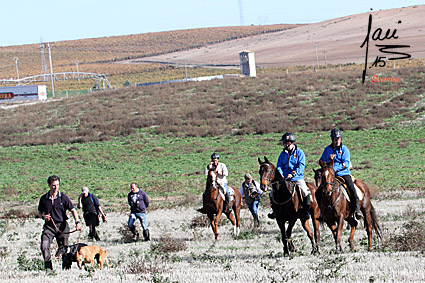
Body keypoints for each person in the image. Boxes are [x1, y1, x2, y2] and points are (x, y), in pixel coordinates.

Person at [38, 175, 82, 270]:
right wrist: (43, 216)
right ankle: (48, 268)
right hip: (49, 227)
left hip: (62, 227)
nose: (56, 187)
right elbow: (39, 212)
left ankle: (66, 269)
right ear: (49, 185)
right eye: (54, 185)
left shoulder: (63, 197)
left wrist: (77, 222)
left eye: (57, 185)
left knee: (65, 250)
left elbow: (73, 210)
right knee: (44, 246)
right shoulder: (44, 199)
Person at [320, 128, 363, 220]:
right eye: (335, 139)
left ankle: (357, 209)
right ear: (332, 139)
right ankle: (321, 212)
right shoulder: (327, 149)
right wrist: (328, 159)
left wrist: (333, 168)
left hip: (343, 174)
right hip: (330, 175)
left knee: (351, 188)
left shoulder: (345, 150)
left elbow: (346, 164)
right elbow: (322, 161)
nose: (337, 141)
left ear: (341, 139)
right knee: (319, 190)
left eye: (338, 139)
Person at [269, 132, 312, 219]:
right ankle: (275, 211)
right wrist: (281, 174)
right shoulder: (282, 154)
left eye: (286, 142)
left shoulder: (300, 152)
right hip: (285, 179)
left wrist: (293, 174)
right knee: (272, 192)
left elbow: (301, 165)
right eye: (284, 142)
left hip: (297, 178)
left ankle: (306, 211)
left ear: (291, 142)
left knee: (305, 191)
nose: (285, 144)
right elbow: (279, 165)